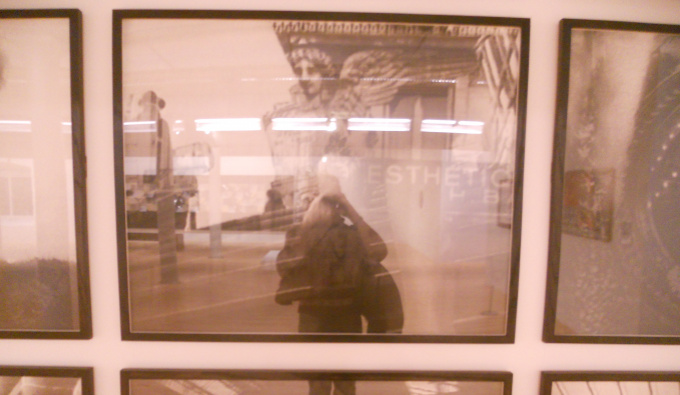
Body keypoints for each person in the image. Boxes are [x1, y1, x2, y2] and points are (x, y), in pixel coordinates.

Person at [275, 185, 387, 395]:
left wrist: (308, 226)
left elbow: (284, 267)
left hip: (316, 315)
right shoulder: (351, 235)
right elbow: (379, 250)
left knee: (320, 381)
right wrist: (351, 212)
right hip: (345, 315)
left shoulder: (303, 234)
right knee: (343, 381)